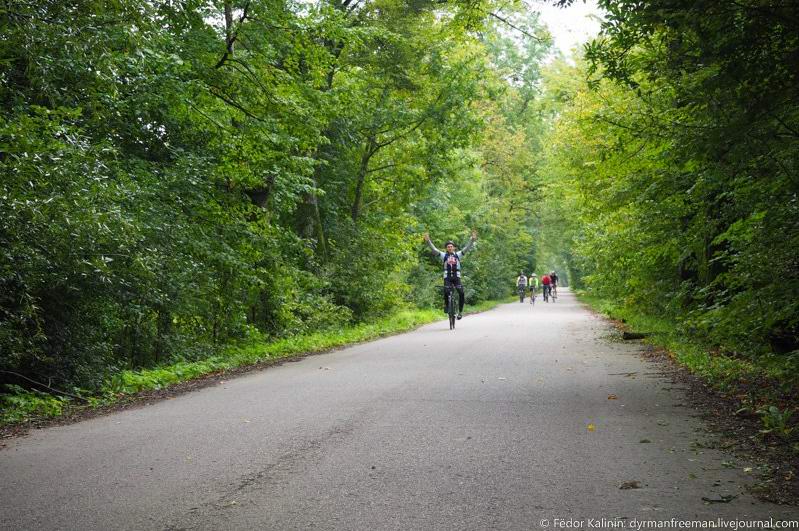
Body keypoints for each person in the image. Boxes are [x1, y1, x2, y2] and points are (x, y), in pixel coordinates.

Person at [424, 230, 477, 320]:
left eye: (451, 246)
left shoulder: (458, 255)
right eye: (448, 247)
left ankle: (460, 312)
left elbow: (467, 248)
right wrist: (428, 241)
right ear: (446, 248)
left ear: (454, 248)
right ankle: (447, 306)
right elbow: (434, 249)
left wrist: (472, 240)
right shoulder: (443, 255)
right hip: (447, 277)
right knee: (446, 291)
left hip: (456, 277)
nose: (450, 248)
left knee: (461, 293)